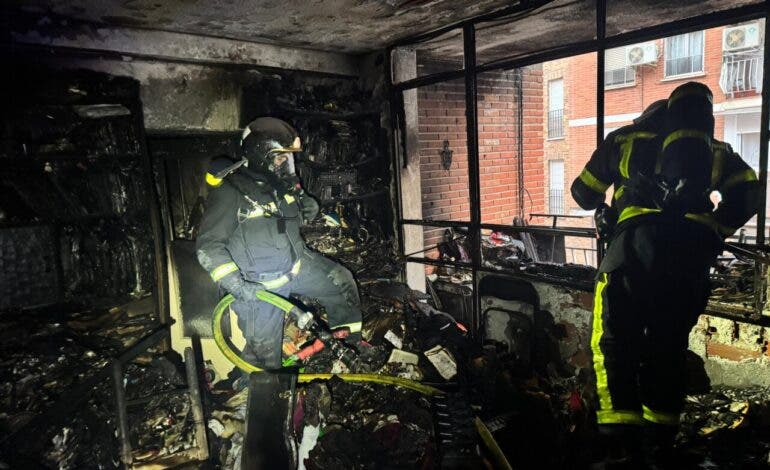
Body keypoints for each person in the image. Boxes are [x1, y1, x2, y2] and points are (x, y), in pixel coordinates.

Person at [571, 82, 759, 466]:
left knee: (612, 342)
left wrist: (610, 204)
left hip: (630, 254)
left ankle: (617, 439)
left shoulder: (624, 141)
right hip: (687, 260)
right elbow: (751, 193)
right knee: (667, 346)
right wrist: (714, 229)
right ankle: (659, 442)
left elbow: (582, 193)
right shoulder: (714, 152)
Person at [196, 117, 363, 369]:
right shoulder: (231, 191)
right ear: (261, 154)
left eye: (287, 157)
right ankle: (251, 397)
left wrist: (309, 207)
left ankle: (348, 349)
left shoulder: (280, 185)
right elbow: (208, 246)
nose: (285, 162)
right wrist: (237, 285)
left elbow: (290, 221)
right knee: (265, 361)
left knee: (341, 282)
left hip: (297, 266)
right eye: (280, 156)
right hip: (259, 287)